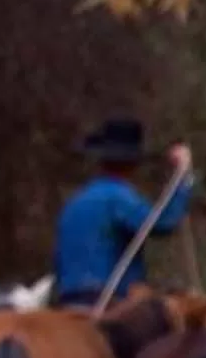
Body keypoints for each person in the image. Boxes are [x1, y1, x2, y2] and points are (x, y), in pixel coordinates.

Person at [51, 118, 194, 311]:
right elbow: (162, 224)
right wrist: (183, 179)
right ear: (134, 164)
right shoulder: (118, 198)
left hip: (68, 299)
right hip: (107, 298)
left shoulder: (75, 202)